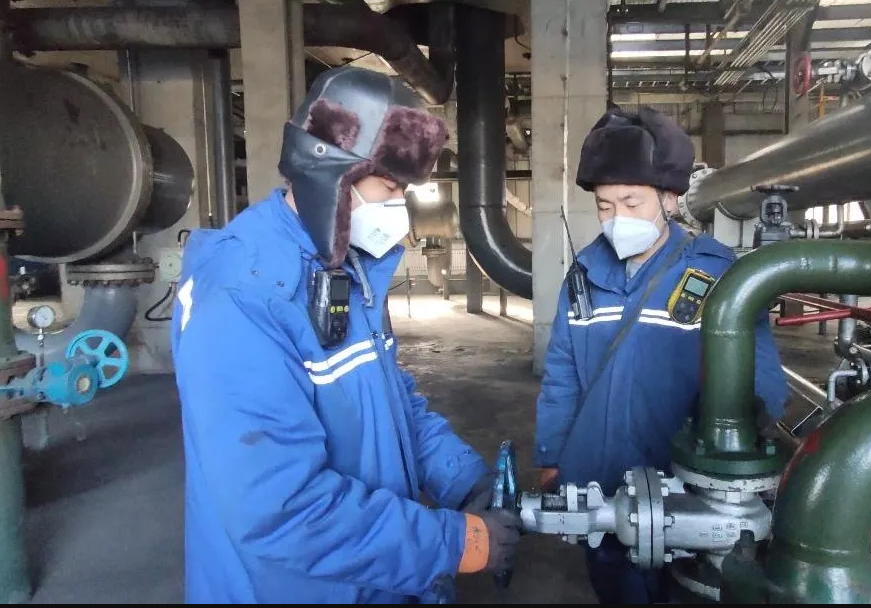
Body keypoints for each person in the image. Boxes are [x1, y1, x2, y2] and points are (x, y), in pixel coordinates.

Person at [170, 65, 520, 604]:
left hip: (367, 577)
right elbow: (280, 508)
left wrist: (462, 478)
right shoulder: (244, 296)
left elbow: (390, 400)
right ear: (330, 172)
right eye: (390, 188)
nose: (398, 207)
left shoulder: (339, 266)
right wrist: (453, 542)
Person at [532, 106, 789, 604]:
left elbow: (758, 370)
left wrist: (754, 416)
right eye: (605, 206)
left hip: (687, 486)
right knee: (615, 584)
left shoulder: (716, 273)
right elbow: (562, 375)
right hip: (599, 478)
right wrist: (551, 456)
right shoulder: (584, 277)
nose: (617, 219)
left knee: (689, 589)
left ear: (669, 199)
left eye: (631, 202)